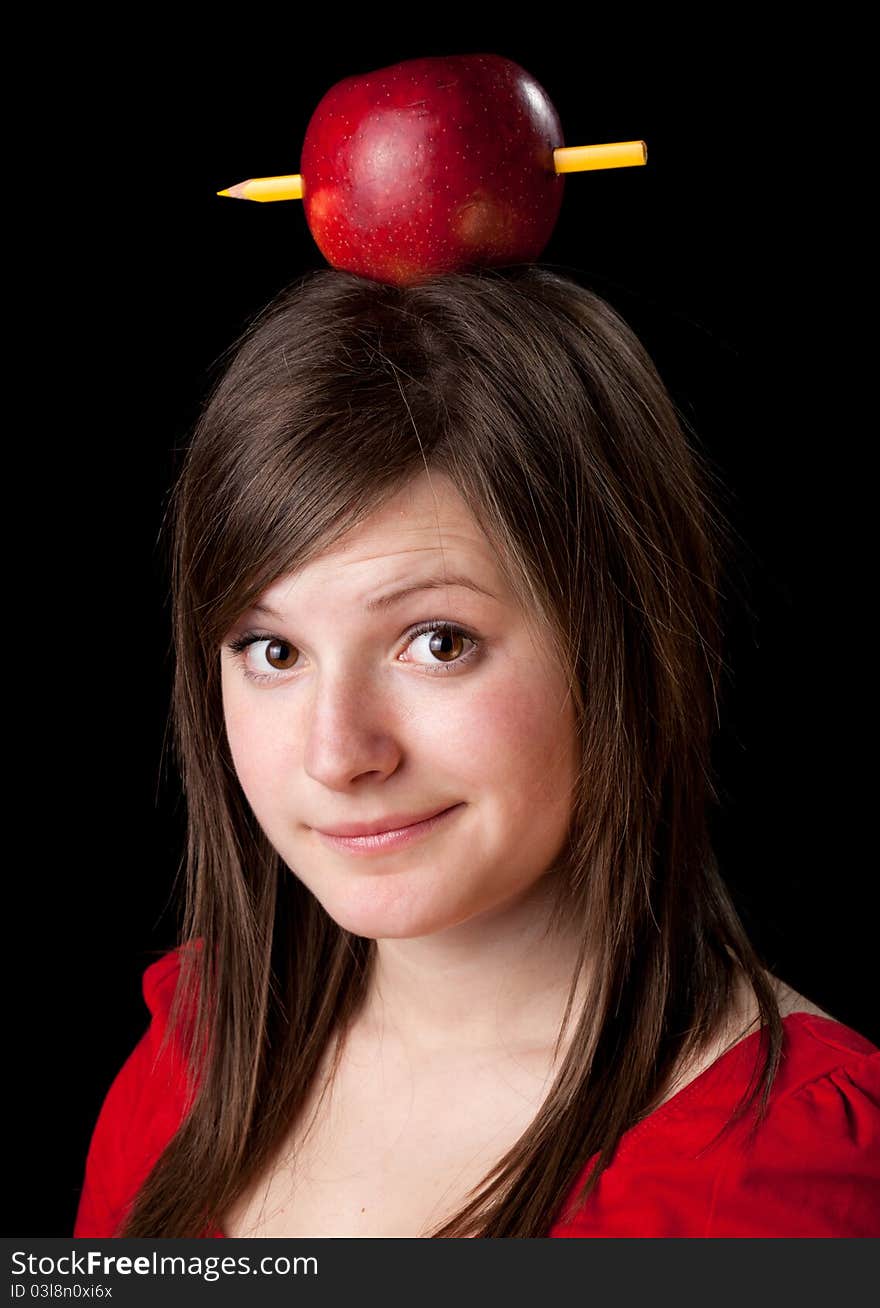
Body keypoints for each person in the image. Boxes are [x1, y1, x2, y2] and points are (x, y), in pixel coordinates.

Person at [73, 264, 880, 1239]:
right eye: (273, 650)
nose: (337, 755)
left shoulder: (787, 1168)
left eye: (437, 642)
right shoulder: (190, 1063)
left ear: (616, 642)